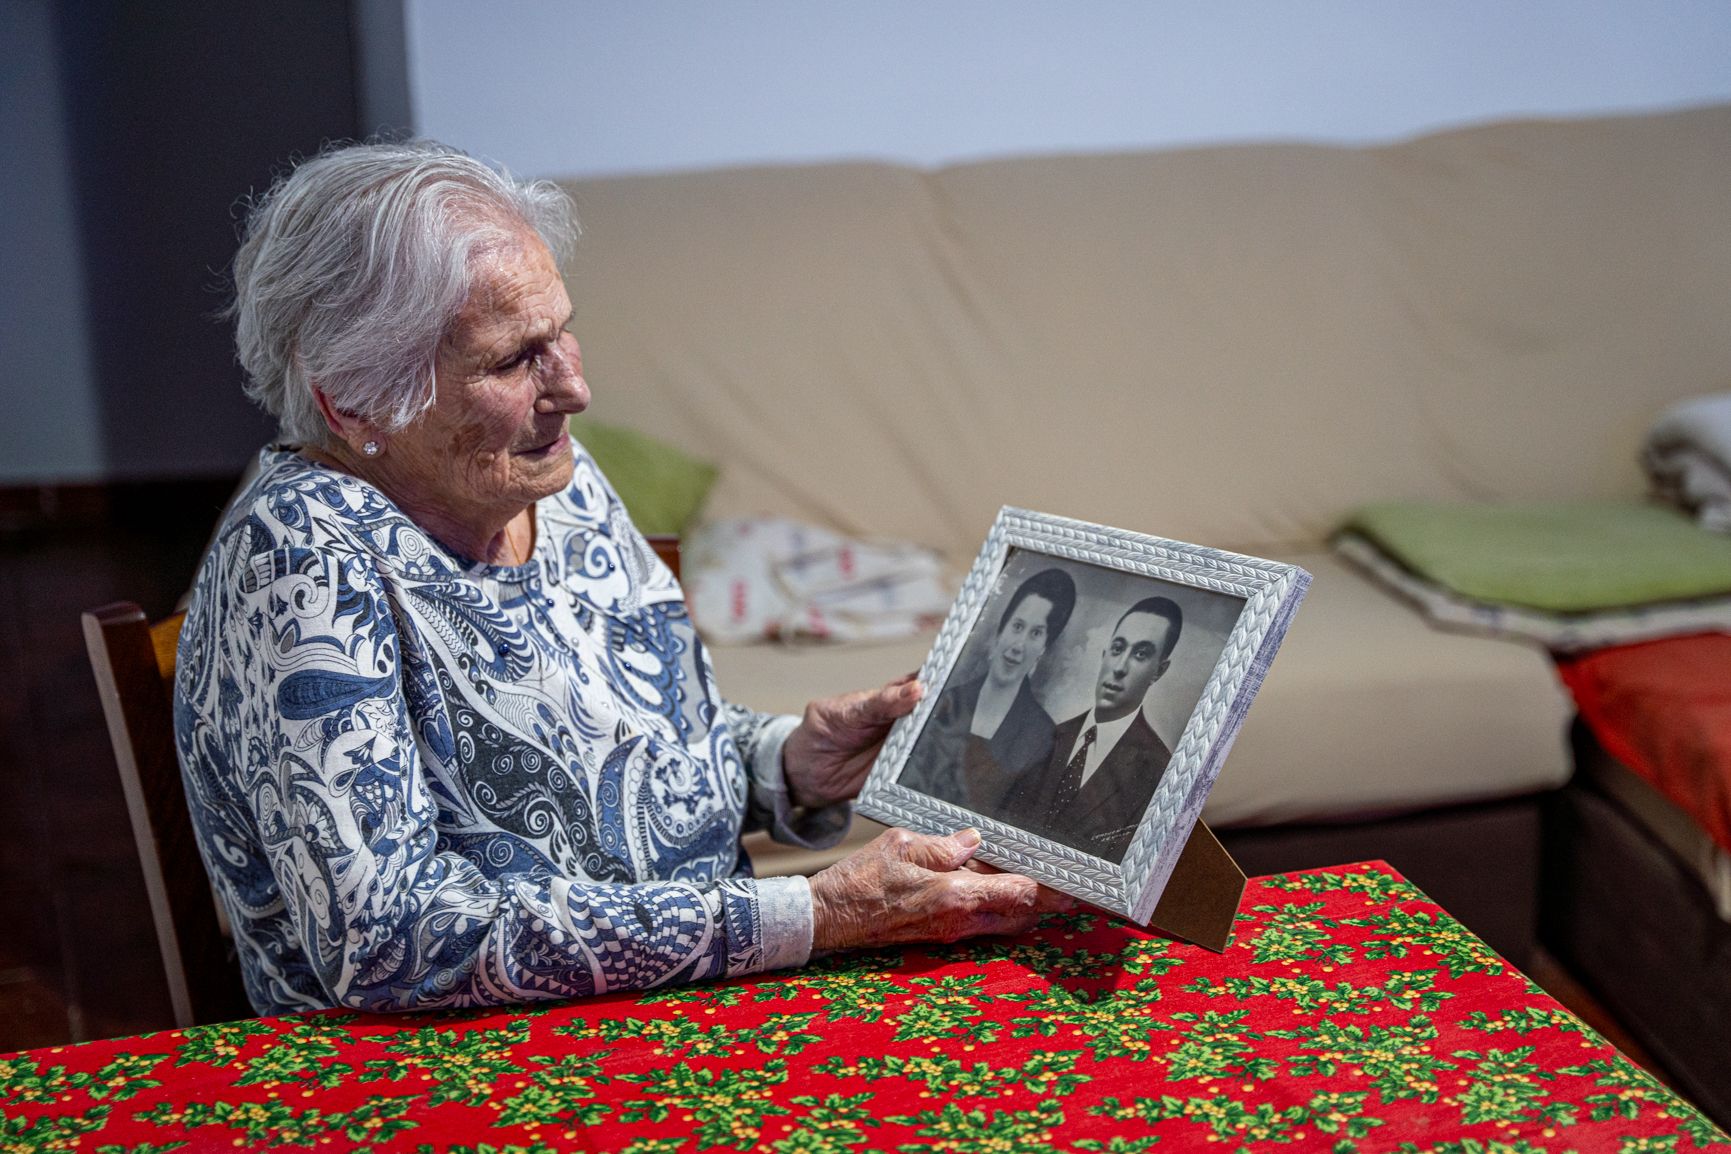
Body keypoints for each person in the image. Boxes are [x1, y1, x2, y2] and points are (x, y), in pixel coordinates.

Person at [174, 140, 1067, 1017]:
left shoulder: (554, 479)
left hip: (686, 1005)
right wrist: (816, 912)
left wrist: (790, 763)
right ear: (354, 400)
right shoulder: (299, 560)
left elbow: (643, 758)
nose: (573, 387)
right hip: (454, 1070)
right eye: (515, 359)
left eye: (560, 331)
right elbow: (389, 942)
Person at [899, 568, 1075, 815]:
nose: (1018, 645)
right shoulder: (947, 701)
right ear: (1001, 630)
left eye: (1035, 633)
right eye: (1017, 626)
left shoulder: (1042, 735)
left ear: (1044, 647)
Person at [1025, 596, 1182, 861]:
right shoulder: (1048, 736)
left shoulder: (1158, 770)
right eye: (1118, 648)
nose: (1120, 668)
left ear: (1159, 670)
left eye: (1141, 654)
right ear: (1104, 654)